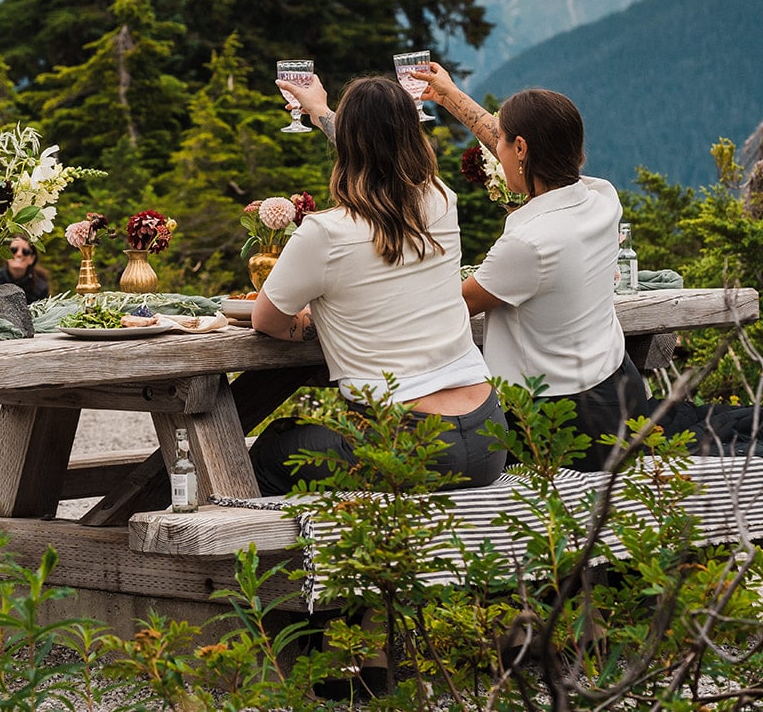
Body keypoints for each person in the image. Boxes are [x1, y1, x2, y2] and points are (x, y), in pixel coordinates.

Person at [249, 76, 507, 495]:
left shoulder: (322, 234)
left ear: (346, 147)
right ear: (414, 136)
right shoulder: (442, 201)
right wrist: (321, 112)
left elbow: (267, 320)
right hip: (488, 434)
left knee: (275, 449)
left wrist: (314, 320)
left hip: (410, 443)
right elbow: (384, 154)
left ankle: (306, 560)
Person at [420, 64, 645, 470]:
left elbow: (450, 307)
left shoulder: (529, 243)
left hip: (561, 422)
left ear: (521, 149)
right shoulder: (602, 197)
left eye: (504, 142)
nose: (497, 147)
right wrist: (448, 94)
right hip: (620, 389)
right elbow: (510, 140)